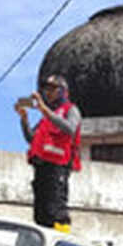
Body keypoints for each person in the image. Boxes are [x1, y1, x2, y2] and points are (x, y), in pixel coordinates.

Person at [17, 74, 82, 232]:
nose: (48, 93)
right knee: (41, 212)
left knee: (57, 211)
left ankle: (62, 242)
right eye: (46, 89)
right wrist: (24, 119)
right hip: (42, 167)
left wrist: (44, 109)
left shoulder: (70, 110)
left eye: (52, 89)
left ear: (62, 91)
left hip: (59, 166)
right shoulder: (47, 116)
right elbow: (31, 138)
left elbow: (70, 129)